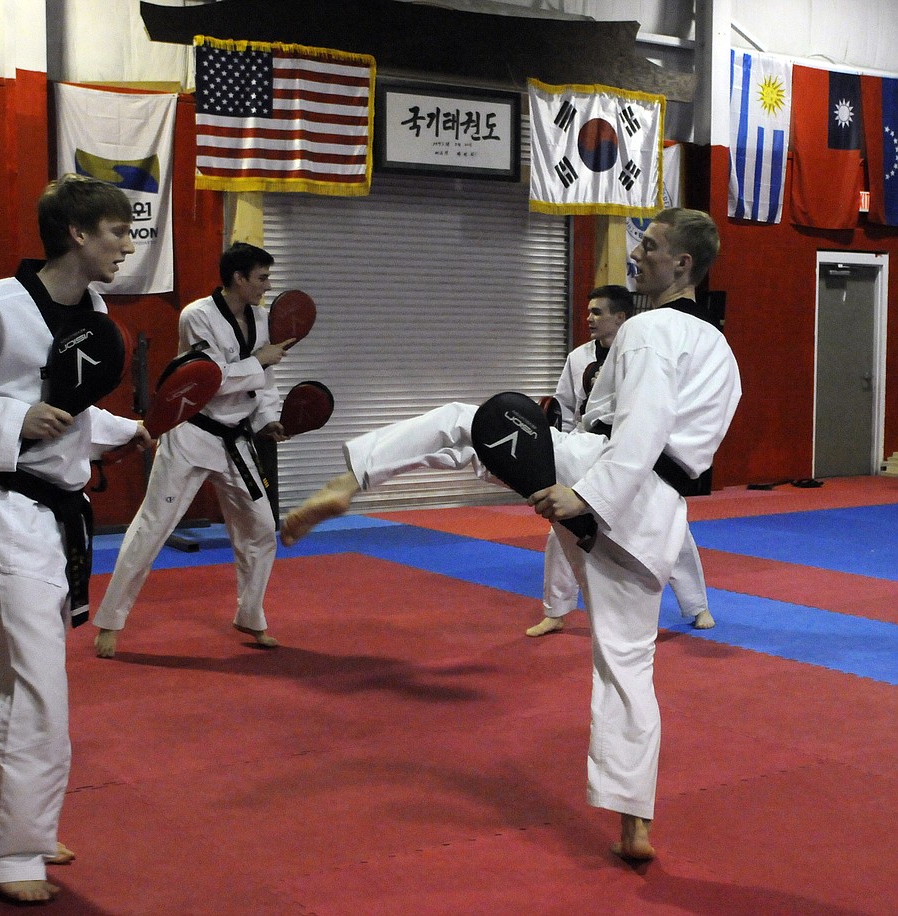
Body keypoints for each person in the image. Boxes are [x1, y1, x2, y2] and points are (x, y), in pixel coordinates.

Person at [280, 209, 741, 861]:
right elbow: (678, 443)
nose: (639, 254)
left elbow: (645, 424)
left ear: (683, 265)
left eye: (653, 247)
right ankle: (634, 820)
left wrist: (586, 495)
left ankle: (354, 477)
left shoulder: (650, 330)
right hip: (658, 518)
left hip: (604, 476)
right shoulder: (720, 350)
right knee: (628, 664)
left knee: (464, 421)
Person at [0, 175, 152, 903]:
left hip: (57, 517)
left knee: (33, 685)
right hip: (6, 512)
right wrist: (12, 423)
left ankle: (24, 830)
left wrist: (123, 430)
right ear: (76, 233)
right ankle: (4, 855)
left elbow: (66, 415)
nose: (125, 247)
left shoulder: (95, 312)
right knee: (36, 686)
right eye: (115, 233)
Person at [93, 242, 294, 656]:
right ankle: (110, 621)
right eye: (262, 278)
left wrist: (267, 420)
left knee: (260, 527)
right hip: (192, 434)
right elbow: (210, 378)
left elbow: (265, 383)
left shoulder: (262, 320)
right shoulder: (198, 315)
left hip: (236, 438)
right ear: (238, 278)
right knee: (154, 526)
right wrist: (259, 361)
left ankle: (250, 615)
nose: (267, 286)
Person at [527, 284, 714, 637]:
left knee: (672, 529)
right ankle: (556, 611)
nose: (589, 319)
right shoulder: (579, 358)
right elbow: (565, 406)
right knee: (560, 530)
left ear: (621, 317)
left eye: (598, 312)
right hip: (587, 447)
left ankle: (697, 605)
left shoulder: (647, 351)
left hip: (636, 453)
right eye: (588, 311)